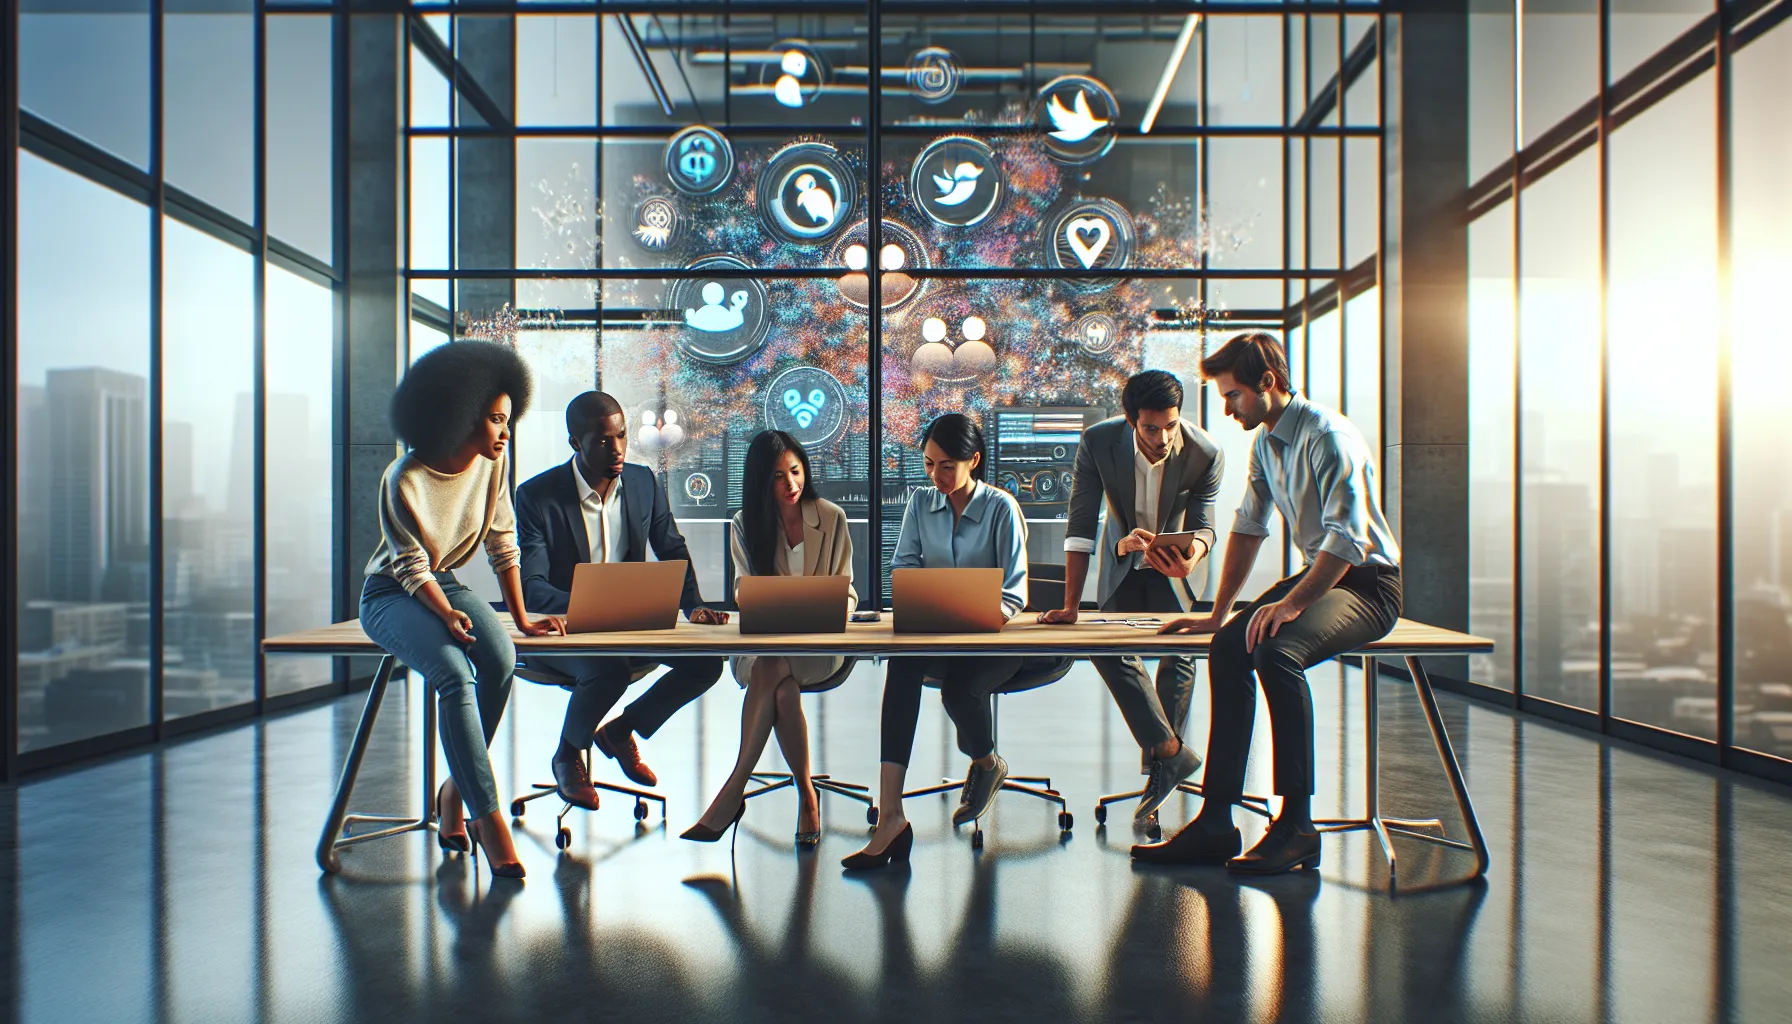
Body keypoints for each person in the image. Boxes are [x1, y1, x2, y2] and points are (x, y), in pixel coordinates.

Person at [1133, 333, 1402, 874]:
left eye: (1232, 396)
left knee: (1277, 652)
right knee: (1230, 647)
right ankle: (1216, 821)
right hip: (1324, 573)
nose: (1227, 408)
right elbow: (1249, 528)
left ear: (1268, 385)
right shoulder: (1267, 443)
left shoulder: (1328, 436)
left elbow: (1347, 540)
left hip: (1369, 583)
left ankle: (1297, 826)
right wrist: (1218, 613)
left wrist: (1290, 604)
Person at [360, 341, 565, 881]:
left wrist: (520, 619)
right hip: (390, 592)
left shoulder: (492, 466)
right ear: (460, 414)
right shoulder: (403, 478)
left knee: (500, 660)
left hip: (443, 580)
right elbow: (408, 568)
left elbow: (503, 543)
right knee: (454, 675)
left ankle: (455, 790)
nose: (505, 432)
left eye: (508, 419)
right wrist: (447, 616)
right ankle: (489, 818)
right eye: (496, 420)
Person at [514, 392, 729, 813]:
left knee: (707, 662)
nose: (616, 449)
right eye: (602, 441)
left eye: (622, 436)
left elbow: (671, 548)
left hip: (631, 625)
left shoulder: (643, 482)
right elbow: (534, 586)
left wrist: (694, 605)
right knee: (608, 670)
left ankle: (621, 729)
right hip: (568, 633)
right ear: (576, 442)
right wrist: (592, 603)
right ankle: (566, 754)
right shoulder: (537, 495)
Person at [843, 414, 1029, 871]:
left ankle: (986, 764)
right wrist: (926, 602)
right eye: (929, 464)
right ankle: (890, 817)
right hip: (935, 630)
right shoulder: (920, 503)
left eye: (947, 466)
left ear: (974, 462)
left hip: (992, 639)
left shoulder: (1001, 508)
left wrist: (982, 615)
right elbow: (903, 568)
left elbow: (1016, 592)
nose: (936, 476)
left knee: (958, 691)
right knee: (901, 665)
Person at [1036, 370, 1223, 822]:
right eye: (1150, 428)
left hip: (1175, 567)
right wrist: (1071, 606)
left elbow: (1206, 527)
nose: (1162, 438)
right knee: (1105, 648)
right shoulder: (1099, 442)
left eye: (1170, 426)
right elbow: (1080, 527)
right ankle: (1169, 752)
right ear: (1129, 420)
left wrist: (1192, 556)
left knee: (1178, 660)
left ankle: (1159, 770)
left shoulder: (1204, 452)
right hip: (1121, 561)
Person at [682, 431, 857, 847]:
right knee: (780, 684)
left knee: (775, 668)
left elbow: (847, 591)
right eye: (778, 477)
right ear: (762, 481)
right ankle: (808, 797)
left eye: (795, 472)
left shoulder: (831, 517)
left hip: (820, 648)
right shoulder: (746, 524)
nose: (791, 484)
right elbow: (745, 592)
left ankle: (732, 792)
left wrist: (833, 608)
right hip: (762, 647)